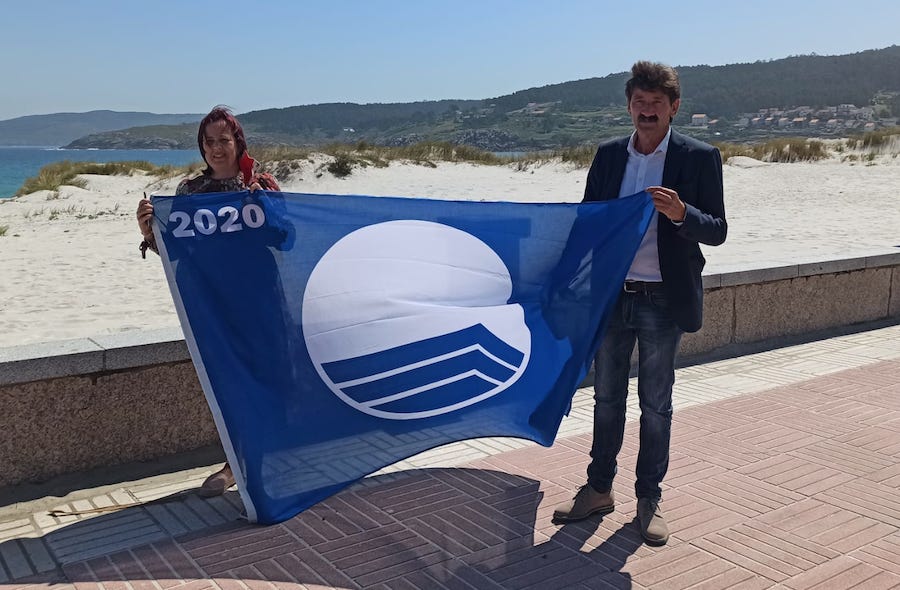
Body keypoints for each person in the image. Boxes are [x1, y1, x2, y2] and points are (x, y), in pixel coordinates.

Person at [553, 61, 727, 545]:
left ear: (673, 108)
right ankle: (598, 488)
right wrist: (560, 279)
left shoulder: (698, 157)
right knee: (606, 400)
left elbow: (717, 230)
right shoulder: (610, 156)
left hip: (662, 301)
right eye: (639, 103)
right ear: (629, 106)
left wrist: (681, 214)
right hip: (612, 297)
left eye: (656, 104)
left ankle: (649, 498)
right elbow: (588, 223)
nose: (646, 111)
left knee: (656, 405)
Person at [136, 106, 280, 497]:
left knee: (263, 377)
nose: (217, 148)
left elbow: (285, 238)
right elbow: (177, 253)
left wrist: (269, 207)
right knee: (224, 381)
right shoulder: (189, 194)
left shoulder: (260, 184)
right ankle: (236, 462)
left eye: (224, 140)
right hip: (213, 304)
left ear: (238, 143)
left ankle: (257, 460)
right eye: (209, 141)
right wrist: (148, 231)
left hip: (259, 299)